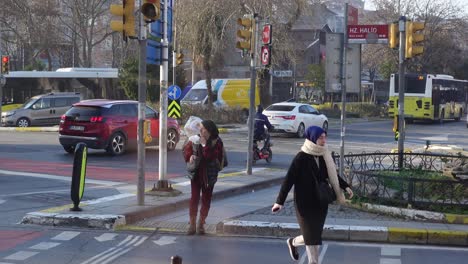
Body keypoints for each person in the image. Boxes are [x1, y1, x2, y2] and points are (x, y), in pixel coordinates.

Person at [271, 126, 353, 264]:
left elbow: (332, 174)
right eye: (321, 137)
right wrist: (279, 202)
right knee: (311, 236)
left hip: (320, 202)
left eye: (324, 137)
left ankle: (293, 242)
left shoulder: (324, 155)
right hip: (304, 203)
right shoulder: (301, 157)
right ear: (313, 138)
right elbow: (289, 179)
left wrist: (345, 186)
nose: (324, 140)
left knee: (314, 236)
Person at [183, 119, 224, 235]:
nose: (200, 131)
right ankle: (191, 225)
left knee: (206, 199)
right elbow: (186, 150)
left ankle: (201, 224)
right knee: (194, 198)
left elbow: (210, 156)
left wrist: (204, 144)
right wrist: (189, 156)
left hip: (209, 175)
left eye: (203, 129)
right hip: (196, 174)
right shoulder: (195, 138)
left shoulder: (217, 142)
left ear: (209, 131)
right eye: (200, 128)